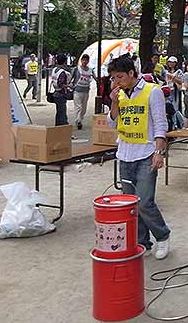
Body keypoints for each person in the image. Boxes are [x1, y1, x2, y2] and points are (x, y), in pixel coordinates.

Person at [107, 55, 171, 259]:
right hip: (125, 154)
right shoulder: (119, 95)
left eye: (120, 77)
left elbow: (160, 124)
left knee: (144, 202)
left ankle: (162, 235)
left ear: (131, 73)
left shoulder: (152, 91)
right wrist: (114, 102)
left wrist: (159, 152)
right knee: (131, 204)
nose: (116, 81)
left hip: (146, 154)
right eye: (113, 78)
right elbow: (112, 123)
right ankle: (142, 242)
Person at [72, 53, 96, 129]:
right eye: (83, 60)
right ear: (81, 60)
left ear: (88, 61)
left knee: (84, 108)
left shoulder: (90, 70)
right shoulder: (76, 69)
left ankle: (80, 119)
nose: (85, 62)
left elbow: (95, 78)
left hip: (86, 91)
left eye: (86, 60)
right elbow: (71, 77)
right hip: (77, 91)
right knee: (78, 107)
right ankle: (78, 121)